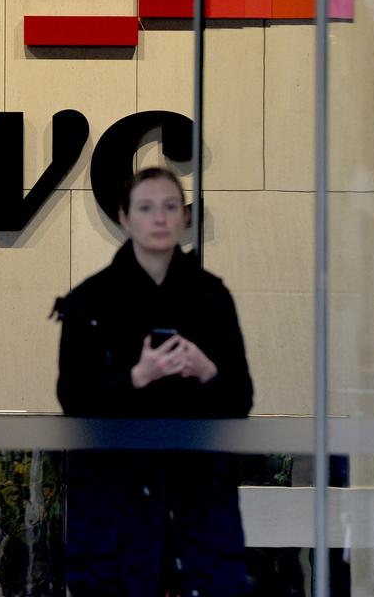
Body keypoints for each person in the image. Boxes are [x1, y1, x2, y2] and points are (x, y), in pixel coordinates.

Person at [55, 166, 255, 597]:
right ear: (125, 218)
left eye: (169, 207)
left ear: (185, 217)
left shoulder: (212, 296)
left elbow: (241, 399)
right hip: (115, 503)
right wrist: (137, 376)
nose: (160, 219)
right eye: (146, 208)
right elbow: (72, 399)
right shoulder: (90, 300)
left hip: (199, 501)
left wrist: (206, 369)